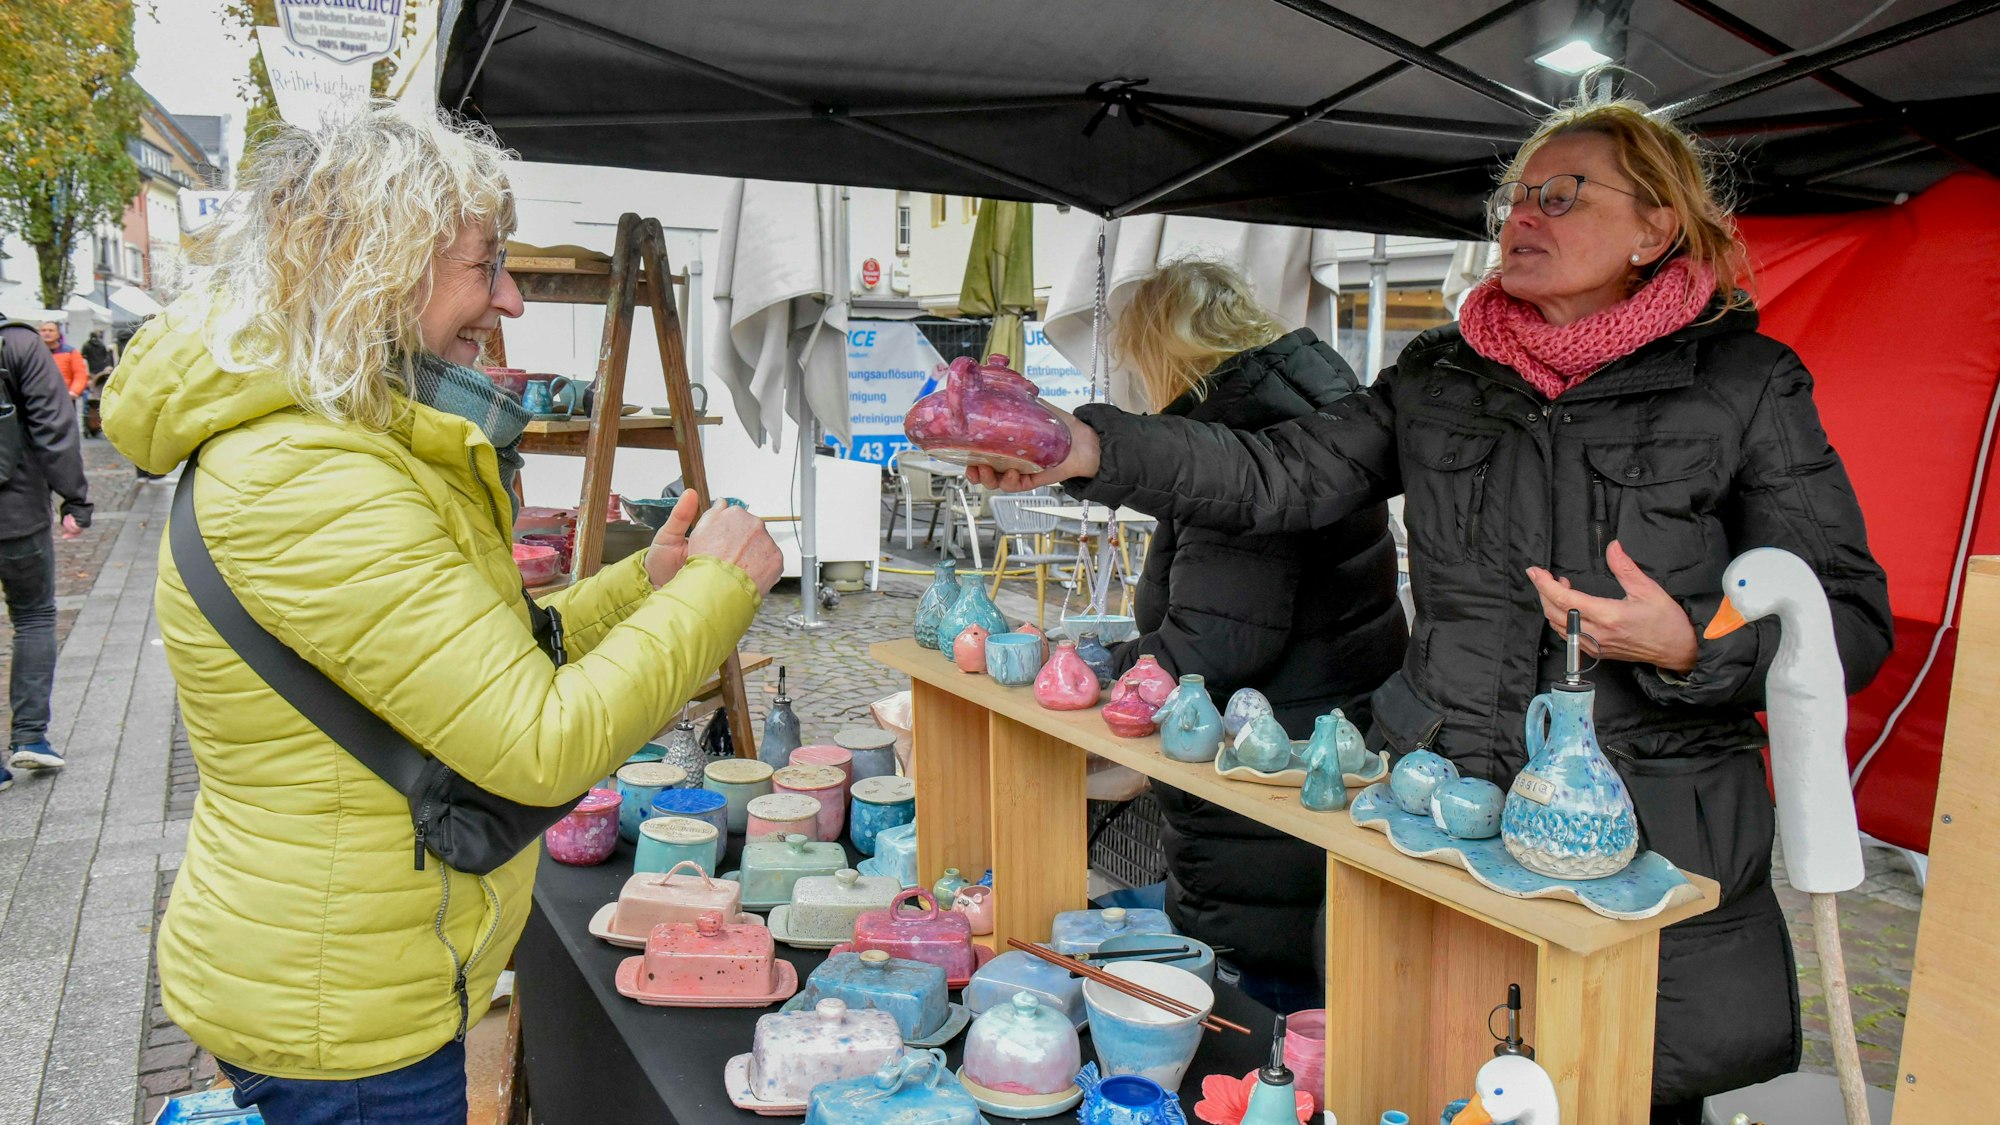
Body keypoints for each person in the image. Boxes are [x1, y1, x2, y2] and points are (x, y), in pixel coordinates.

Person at [972, 90, 1893, 1122]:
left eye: (1560, 194)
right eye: (1512, 198)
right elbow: (1277, 475)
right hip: (1438, 810)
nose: (1522, 218)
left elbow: (1845, 619)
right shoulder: (1440, 372)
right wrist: (1083, 446)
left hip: (1649, 832)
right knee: (1417, 1078)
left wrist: (1688, 645)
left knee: (1617, 1093)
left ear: (1654, 227)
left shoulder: (1743, 383)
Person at [102, 103, 783, 1121]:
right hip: (342, 1020)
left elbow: (480, 657)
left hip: (349, 979)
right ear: (383, 263)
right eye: (485, 264)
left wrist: (642, 589)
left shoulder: (328, 439)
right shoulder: (305, 473)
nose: (507, 297)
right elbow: (539, 743)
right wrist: (722, 591)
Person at [1102, 259, 1404, 1010]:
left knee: (1267, 1017)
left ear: (1161, 352)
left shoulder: (1233, 434)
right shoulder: (1319, 398)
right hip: (1340, 734)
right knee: (1323, 977)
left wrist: (1100, 669)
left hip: (1263, 779)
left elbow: (1215, 645)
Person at [0, 319, 93, 793]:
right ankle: (31, 735)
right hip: (14, 512)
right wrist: (73, 499)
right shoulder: (16, 343)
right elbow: (53, 425)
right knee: (34, 615)